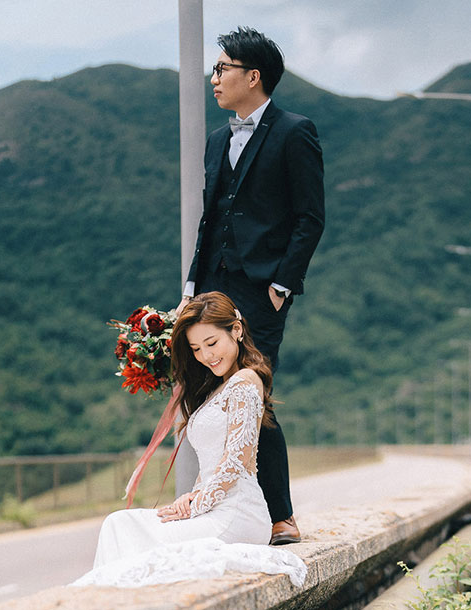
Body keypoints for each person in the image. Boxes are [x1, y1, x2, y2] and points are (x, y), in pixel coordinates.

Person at [180, 27, 325, 547]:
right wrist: (193, 288)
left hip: (262, 290)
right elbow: (210, 216)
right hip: (214, 288)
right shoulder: (218, 139)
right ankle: (219, 503)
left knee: (252, 397)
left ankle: (280, 517)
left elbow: (310, 217)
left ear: (253, 76)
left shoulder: (294, 131)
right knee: (206, 395)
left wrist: (282, 286)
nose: (214, 78)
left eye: (222, 69)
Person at [71, 293, 306, 589]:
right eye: (196, 348)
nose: (206, 356)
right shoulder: (215, 390)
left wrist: (195, 506)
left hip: (236, 514)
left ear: (236, 330)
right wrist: (192, 496)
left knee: (133, 537)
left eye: (212, 343)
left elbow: (235, 461)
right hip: (213, 507)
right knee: (118, 523)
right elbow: (211, 461)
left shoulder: (246, 382)